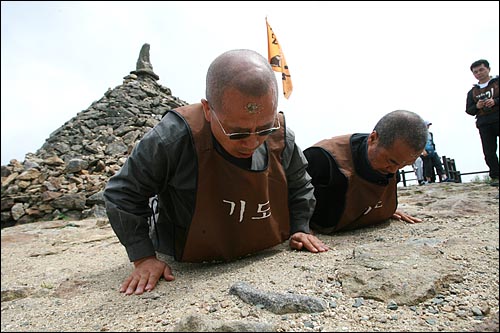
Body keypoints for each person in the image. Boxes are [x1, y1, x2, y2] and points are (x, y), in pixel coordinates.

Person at [103, 49, 329, 296]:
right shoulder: (172, 138)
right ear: (208, 110)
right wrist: (143, 257)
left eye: (264, 128)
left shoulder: (280, 137)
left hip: (262, 246)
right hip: (187, 255)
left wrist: (300, 227)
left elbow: (300, 184)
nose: (252, 142)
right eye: (238, 133)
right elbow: (122, 193)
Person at [303, 110, 427, 234]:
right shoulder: (321, 158)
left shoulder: (393, 159)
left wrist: (379, 211)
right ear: (373, 139)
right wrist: (299, 227)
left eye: (404, 165)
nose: (394, 170)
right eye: (392, 161)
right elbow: (290, 198)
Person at [465, 59, 499, 187]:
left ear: (488, 69)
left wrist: (495, 101)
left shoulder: (497, 83)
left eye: (481, 70)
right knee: (489, 151)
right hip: (484, 123)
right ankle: (495, 176)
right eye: (475, 72)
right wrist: (477, 106)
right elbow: (469, 110)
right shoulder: (472, 92)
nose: (479, 73)